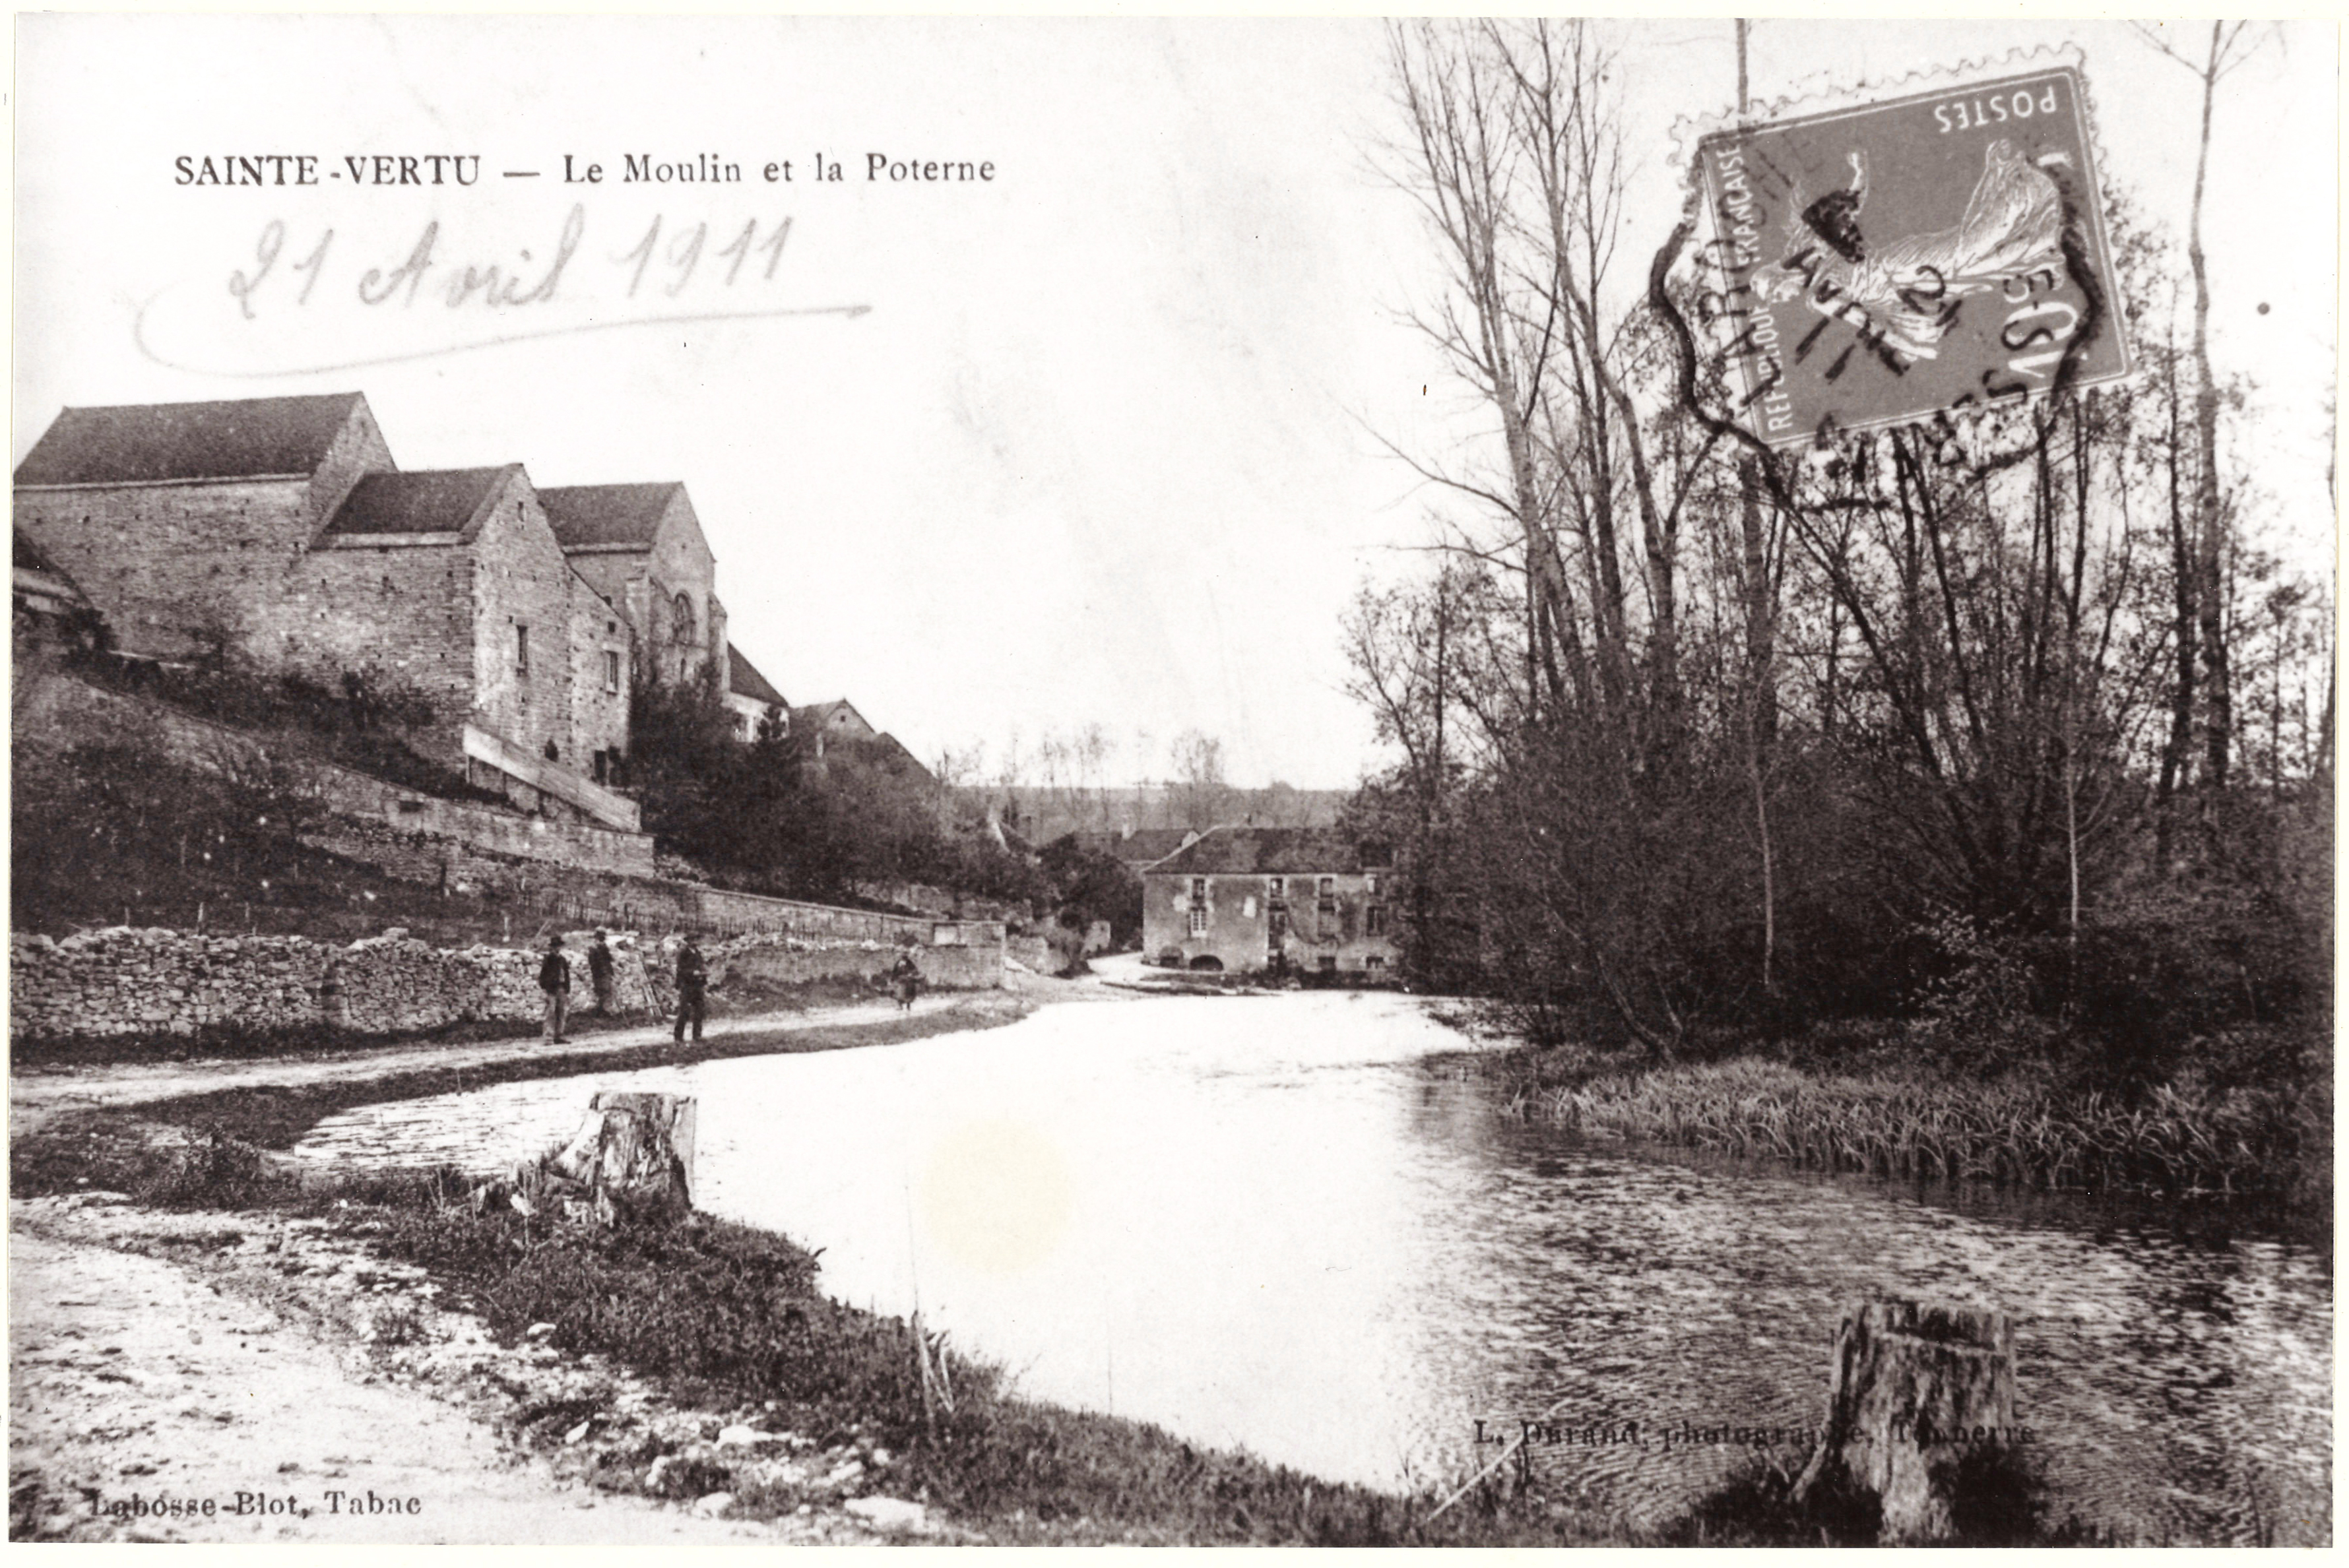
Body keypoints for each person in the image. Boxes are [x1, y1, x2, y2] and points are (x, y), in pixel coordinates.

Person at [674, 933, 707, 1043]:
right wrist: (692, 973)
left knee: (699, 1011)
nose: (695, 942)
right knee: (684, 1011)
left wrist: (703, 975)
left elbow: (701, 966)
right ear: (688, 941)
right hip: (687, 985)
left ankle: (697, 1036)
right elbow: (680, 969)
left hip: (697, 985)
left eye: (697, 939)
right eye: (693, 940)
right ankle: (678, 1037)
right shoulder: (683, 953)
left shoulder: (698, 953)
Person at [537, 934, 571, 1044]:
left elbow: (566, 974)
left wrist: (567, 988)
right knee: (550, 1012)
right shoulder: (549, 959)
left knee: (562, 1012)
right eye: (555, 946)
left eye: (559, 946)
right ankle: (548, 1037)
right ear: (552, 948)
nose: (557, 948)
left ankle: (559, 1035)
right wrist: (546, 988)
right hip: (552, 989)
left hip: (561, 987)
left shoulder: (562, 959)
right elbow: (543, 976)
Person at [586, 929, 615, 1016]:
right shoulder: (595, 950)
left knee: (605, 991)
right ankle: (602, 1010)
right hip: (600, 974)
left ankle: (602, 1010)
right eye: (601, 939)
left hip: (603, 973)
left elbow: (609, 959)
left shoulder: (603, 948)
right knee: (603, 991)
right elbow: (593, 963)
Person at [891, 948, 921, 1013]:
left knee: (909, 990)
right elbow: (894, 971)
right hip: (900, 979)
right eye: (902, 956)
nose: (903, 957)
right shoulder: (898, 963)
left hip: (908, 979)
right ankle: (900, 1005)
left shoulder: (909, 963)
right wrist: (894, 978)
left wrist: (910, 974)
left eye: (904, 956)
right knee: (898, 991)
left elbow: (914, 970)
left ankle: (908, 1006)